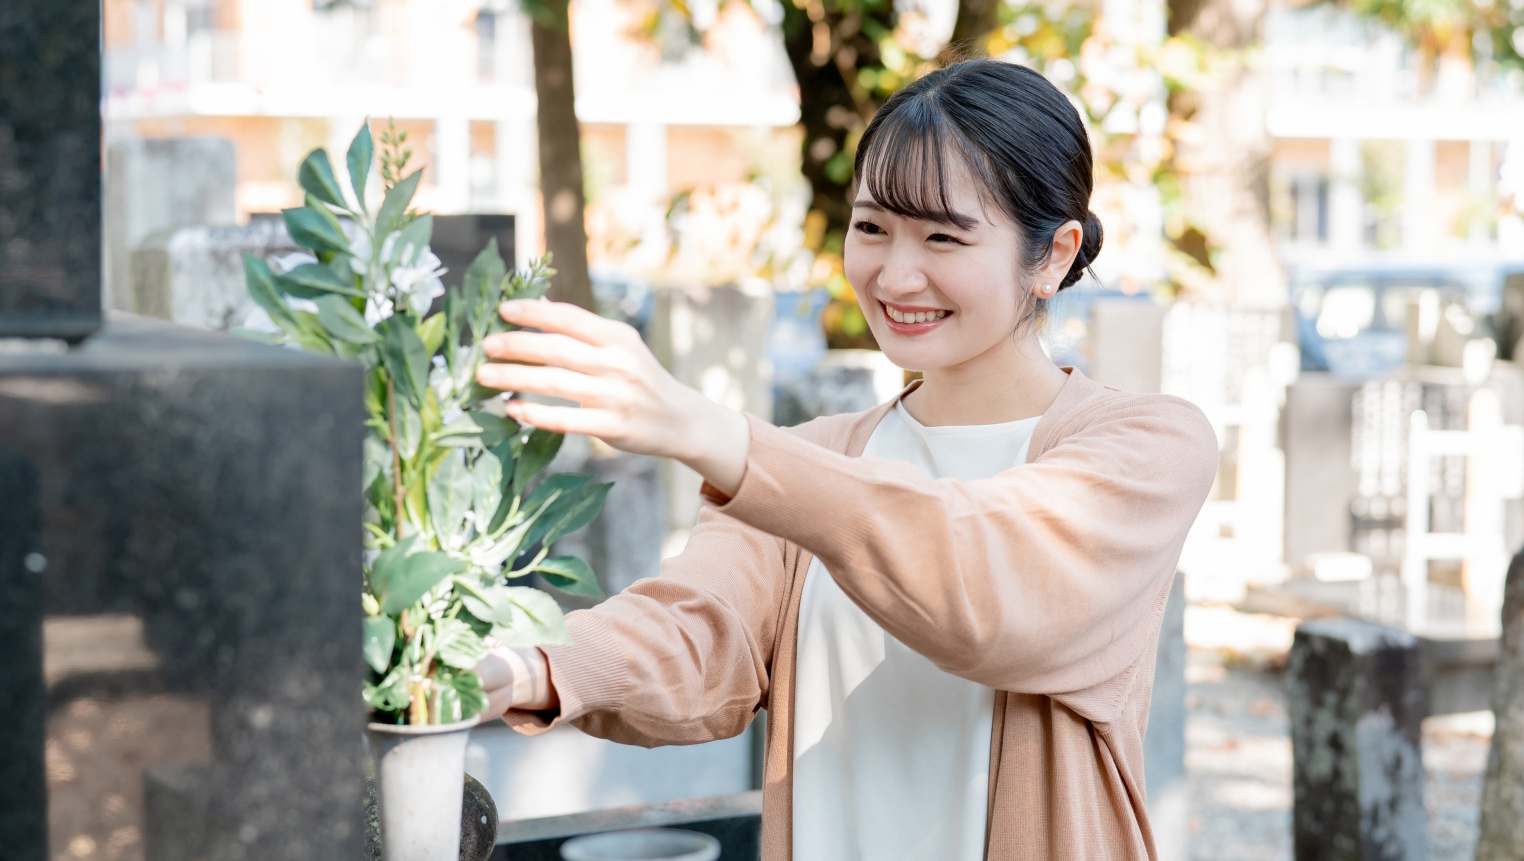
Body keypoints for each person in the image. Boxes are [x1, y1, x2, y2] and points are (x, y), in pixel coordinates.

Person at [470, 58, 1217, 861]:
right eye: (871, 228)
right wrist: (529, 667)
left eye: (942, 236)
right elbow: (698, 633)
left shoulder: (1147, 446)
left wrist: (707, 430)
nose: (895, 274)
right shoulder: (815, 458)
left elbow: (988, 579)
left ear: (1053, 256)